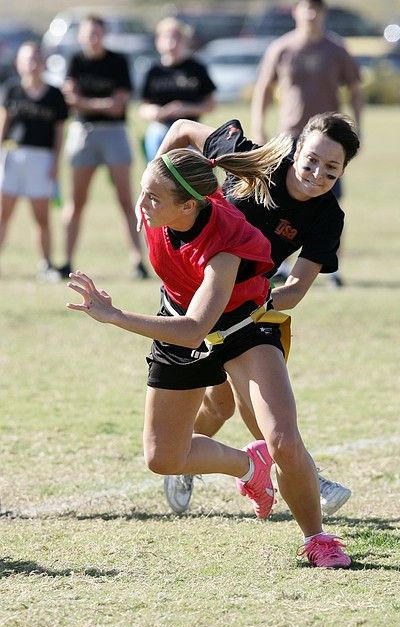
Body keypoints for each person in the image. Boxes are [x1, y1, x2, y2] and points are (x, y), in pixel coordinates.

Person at [66, 141, 352, 569]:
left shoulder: (225, 245)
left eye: (153, 196)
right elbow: (183, 128)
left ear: (188, 207)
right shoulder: (170, 207)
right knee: (163, 458)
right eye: (144, 190)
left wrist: (114, 315)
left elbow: (196, 329)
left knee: (284, 441)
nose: (141, 203)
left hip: (243, 329)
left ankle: (317, 539)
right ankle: (249, 467)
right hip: (178, 317)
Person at [157, 112, 359, 515]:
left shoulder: (327, 216)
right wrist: (151, 191)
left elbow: (297, 288)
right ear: (297, 150)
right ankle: (185, 461)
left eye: (331, 170)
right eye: (311, 160)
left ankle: (296, 472)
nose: (317, 175)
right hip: (191, 299)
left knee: (238, 400)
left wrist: (256, 302)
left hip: (246, 312)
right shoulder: (257, 160)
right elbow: (181, 129)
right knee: (225, 405)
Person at [250, 0, 364, 286]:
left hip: (329, 141)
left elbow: (355, 88)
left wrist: (358, 128)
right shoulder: (282, 48)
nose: (311, 13)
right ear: (296, 11)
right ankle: (281, 265)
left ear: (324, 13)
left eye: (317, 8)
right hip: (289, 138)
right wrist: (257, 127)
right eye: (306, 7)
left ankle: (332, 268)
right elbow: (264, 87)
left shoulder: (336, 49)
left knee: (331, 200)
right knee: (279, 201)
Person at [59, 14, 148, 280]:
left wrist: (86, 102)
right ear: (82, 36)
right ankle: (66, 260)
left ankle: (137, 260)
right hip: (83, 133)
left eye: (97, 33)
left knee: (125, 199)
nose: (93, 38)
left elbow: (118, 105)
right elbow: (70, 99)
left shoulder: (118, 61)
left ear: (104, 34)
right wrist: (101, 104)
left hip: (114, 134)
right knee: (76, 201)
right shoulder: (75, 61)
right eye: (88, 33)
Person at [0, 42, 68, 279]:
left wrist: (56, 164)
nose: (32, 64)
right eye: (28, 59)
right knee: (3, 214)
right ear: (19, 63)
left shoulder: (54, 94)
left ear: (44, 63)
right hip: (13, 157)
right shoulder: (12, 90)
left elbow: (59, 133)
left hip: (42, 158)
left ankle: (46, 264)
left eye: (37, 59)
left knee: (41, 217)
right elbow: (4, 124)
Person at [139, 17, 216, 162]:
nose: (172, 43)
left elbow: (210, 104)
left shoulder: (196, 69)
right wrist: (155, 112)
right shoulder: (153, 71)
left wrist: (186, 108)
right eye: (167, 37)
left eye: (177, 38)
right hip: (160, 130)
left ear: (186, 42)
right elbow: (143, 107)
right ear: (158, 41)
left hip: (190, 131)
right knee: (159, 173)